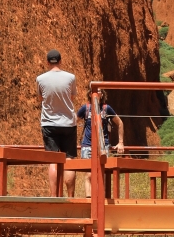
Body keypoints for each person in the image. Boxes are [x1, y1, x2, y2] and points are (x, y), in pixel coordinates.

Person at [36, 49, 77, 195]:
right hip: (68, 123)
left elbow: (41, 98)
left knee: (53, 160)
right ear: (60, 61)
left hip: (49, 123)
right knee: (70, 159)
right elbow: (72, 97)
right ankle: (70, 196)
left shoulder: (40, 79)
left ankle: (53, 196)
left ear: (47, 62)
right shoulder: (71, 78)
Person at [76, 94, 124, 197]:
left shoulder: (106, 108)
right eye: (95, 91)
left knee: (101, 173)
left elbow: (120, 123)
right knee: (88, 174)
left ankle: (102, 200)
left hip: (103, 145)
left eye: (99, 91)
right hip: (87, 145)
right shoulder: (86, 108)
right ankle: (89, 200)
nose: (97, 94)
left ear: (102, 94)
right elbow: (73, 122)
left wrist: (121, 142)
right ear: (90, 94)